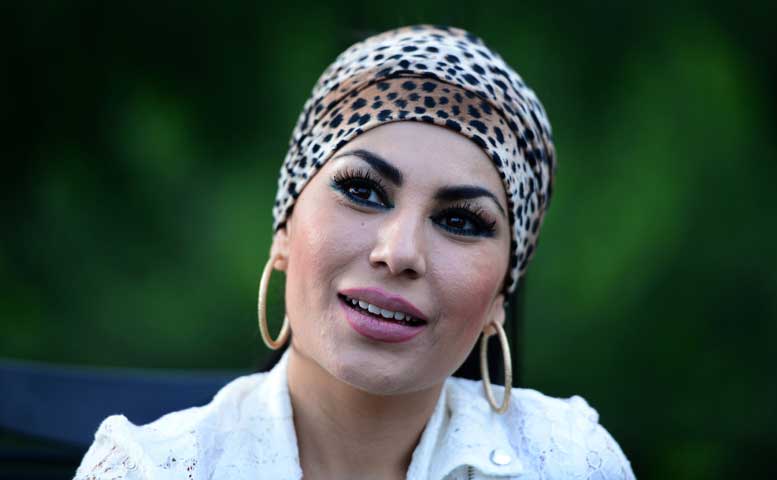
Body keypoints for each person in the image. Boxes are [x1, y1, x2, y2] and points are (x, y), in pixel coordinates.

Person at [75, 25, 635, 479]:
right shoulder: (149, 469)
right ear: (285, 228)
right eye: (363, 191)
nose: (400, 252)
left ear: (500, 296)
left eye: (461, 220)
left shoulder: (568, 461)